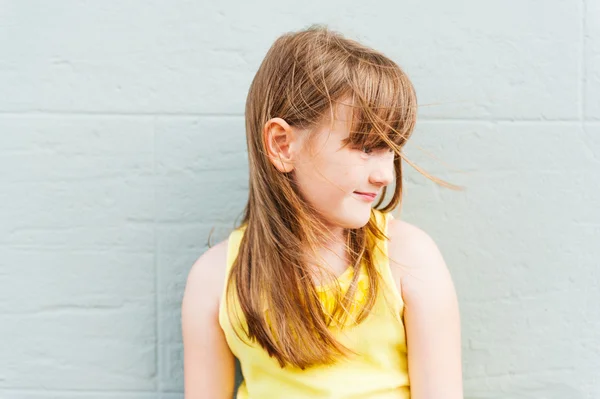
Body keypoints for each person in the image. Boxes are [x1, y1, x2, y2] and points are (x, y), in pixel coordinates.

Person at [181, 24, 463, 399]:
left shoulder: (408, 257)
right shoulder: (216, 279)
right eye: (364, 147)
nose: (383, 175)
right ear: (282, 145)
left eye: (390, 149)